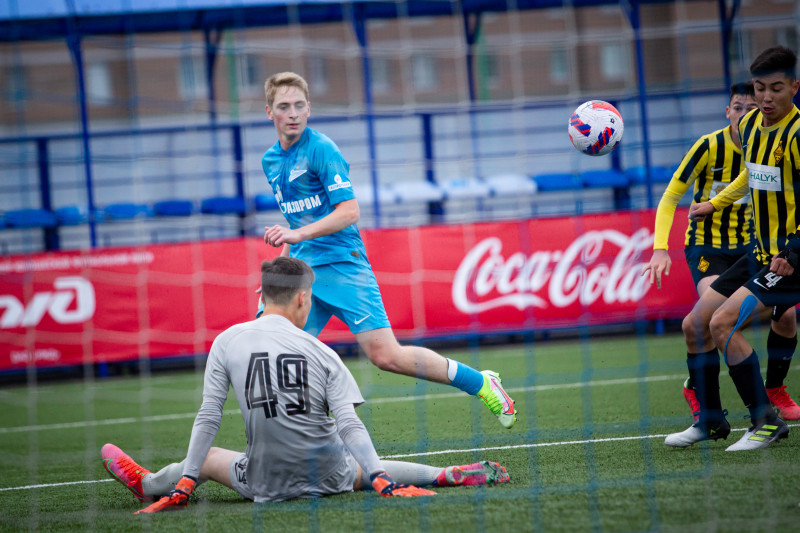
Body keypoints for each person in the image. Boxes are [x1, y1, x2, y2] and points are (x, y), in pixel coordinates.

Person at [101, 257, 510, 512]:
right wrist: (381, 477)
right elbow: (349, 426)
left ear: (263, 297)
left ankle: (149, 484)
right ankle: (441, 473)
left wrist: (189, 480)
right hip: (329, 476)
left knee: (210, 458)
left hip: (264, 481)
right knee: (353, 467)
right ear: (301, 299)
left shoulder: (225, 341)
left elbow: (208, 416)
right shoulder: (323, 352)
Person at [256, 72, 516, 429]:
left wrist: (296, 235)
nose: (293, 113)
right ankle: (306, 434)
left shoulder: (322, 149)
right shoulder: (270, 161)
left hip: (343, 266)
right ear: (269, 112)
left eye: (299, 105)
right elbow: (295, 217)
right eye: (284, 107)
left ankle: (482, 383)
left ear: (309, 108)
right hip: (303, 274)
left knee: (386, 356)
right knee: (270, 345)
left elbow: (349, 212)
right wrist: (281, 270)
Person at [641, 82, 799, 423]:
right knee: (711, 320)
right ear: (728, 112)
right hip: (707, 246)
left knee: (785, 317)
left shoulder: (770, 140)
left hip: (752, 246)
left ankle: (773, 390)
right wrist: (659, 248)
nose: (744, 113)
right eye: (738, 107)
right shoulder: (708, 146)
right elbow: (670, 198)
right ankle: (704, 392)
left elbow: (755, 178)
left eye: (749, 107)